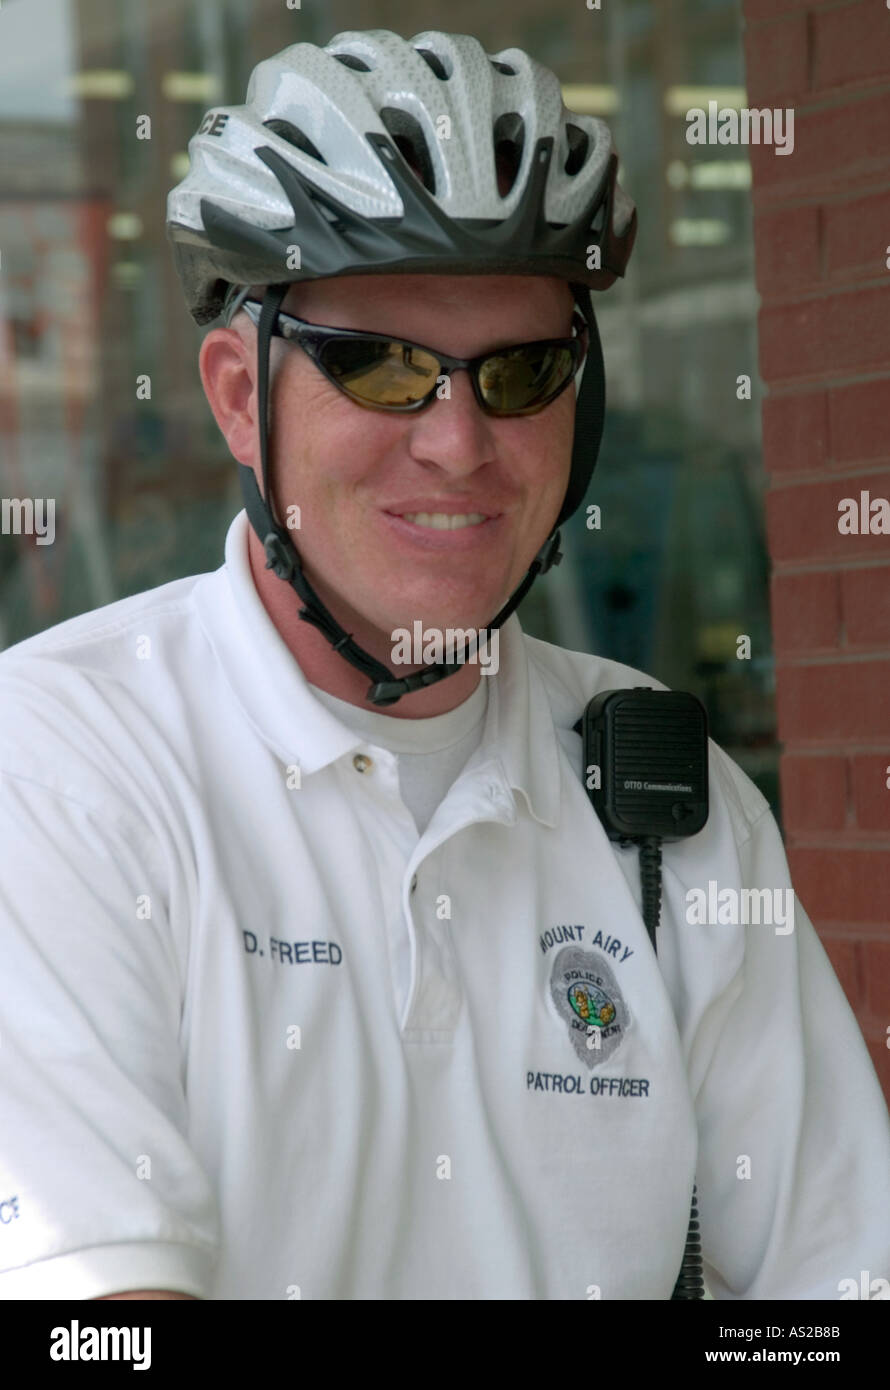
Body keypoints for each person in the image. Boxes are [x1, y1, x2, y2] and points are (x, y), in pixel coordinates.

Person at [0, 28, 888, 1303]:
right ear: (240, 399)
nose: (458, 443)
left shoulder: (662, 794)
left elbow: (833, 1286)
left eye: (520, 371)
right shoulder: (59, 766)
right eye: (381, 364)